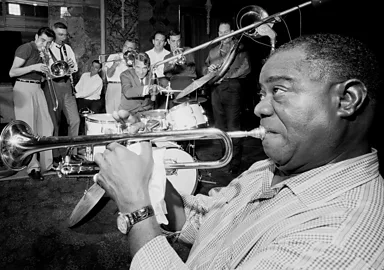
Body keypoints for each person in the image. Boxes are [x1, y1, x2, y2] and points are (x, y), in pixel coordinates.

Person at [93, 33, 384, 269]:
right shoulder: (266, 169)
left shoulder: (336, 241)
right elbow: (201, 225)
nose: (259, 107)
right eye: (262, 93)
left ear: (347, 99)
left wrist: (135, 207)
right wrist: (147, 165)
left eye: (279, 90)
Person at [205, 20, 251, 175]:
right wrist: (209, 70)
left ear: (232, 32)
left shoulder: (240, 48)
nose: (223, 35)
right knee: (219, 126)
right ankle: (225, 155)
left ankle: (235, 162)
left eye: (226, 32)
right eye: (220, 32)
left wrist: (225, 76)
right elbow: (206, 68)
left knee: (233, 127)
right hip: (215, 91)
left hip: (232, 90)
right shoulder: (212, 52)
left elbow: (246, 68)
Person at [9, 27, 55, 181]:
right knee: (29, 130)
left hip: (37, 88)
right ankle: (33, 167)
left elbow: (41, 76)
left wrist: (45, 71)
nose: (44, 45)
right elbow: (12, 72)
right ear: (36, 37)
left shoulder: (45, 53)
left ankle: (47, 164)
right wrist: (34, 67)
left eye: (48, 43)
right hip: (23, 87)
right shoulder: (26, 48)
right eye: (42, 40)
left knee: (47, 126)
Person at [43, 22, 80, 162]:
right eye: (60, 34)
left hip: (66, 85)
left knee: (75, 120)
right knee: (54, 123)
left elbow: (75, 68)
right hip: (52, 85)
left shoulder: (67, 48)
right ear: (53, 32)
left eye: (65, 35)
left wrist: (71, 67)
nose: (63, 38)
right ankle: (55, 155)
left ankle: (72, 152)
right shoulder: (47, 47)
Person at [162, 29, 197, 108]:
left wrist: (182, 58)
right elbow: (168, 75)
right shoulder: (167, 57)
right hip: (175, 88)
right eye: (173, 41)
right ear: (168, 41)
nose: (176, 45)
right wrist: (172, 64)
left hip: (189, 86)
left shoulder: (188, 51)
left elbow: (191, 71)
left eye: (178, 41)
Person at [104, 39, 138, 114]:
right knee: (110, 113)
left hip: (125, 87)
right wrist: (114, 65)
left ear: (134, 50)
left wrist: (130, 64)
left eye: (130, 48)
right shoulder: (113, 56)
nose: (127, 49)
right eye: (125, 46)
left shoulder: (134, 59)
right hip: (112, 87)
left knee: (123, 113)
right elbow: (108, 75)